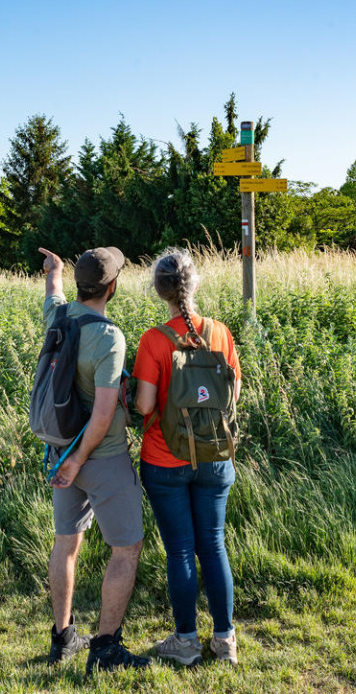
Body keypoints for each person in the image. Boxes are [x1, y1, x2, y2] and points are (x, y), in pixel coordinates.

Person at [38, 246, 150, 674]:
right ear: (113, 286)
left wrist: (55, 272)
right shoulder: (109, 337)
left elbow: (52, 293)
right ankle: (105, 649)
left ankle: (62, 639)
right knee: (127, 547)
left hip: (59, 449)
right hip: (99, 458)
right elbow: (103, 416)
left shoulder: (60, 317)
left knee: (66, 543)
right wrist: (78, 460)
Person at [133, 248, 242, 666]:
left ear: (160, 290)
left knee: (180, 549)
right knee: (214, 544)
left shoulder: (154, 340)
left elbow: (144, 406)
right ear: (194, 284)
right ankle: (225, 639)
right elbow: (232, 394)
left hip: (166, 458)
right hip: (216, 456)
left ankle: (185, 641)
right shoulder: (220, 332)